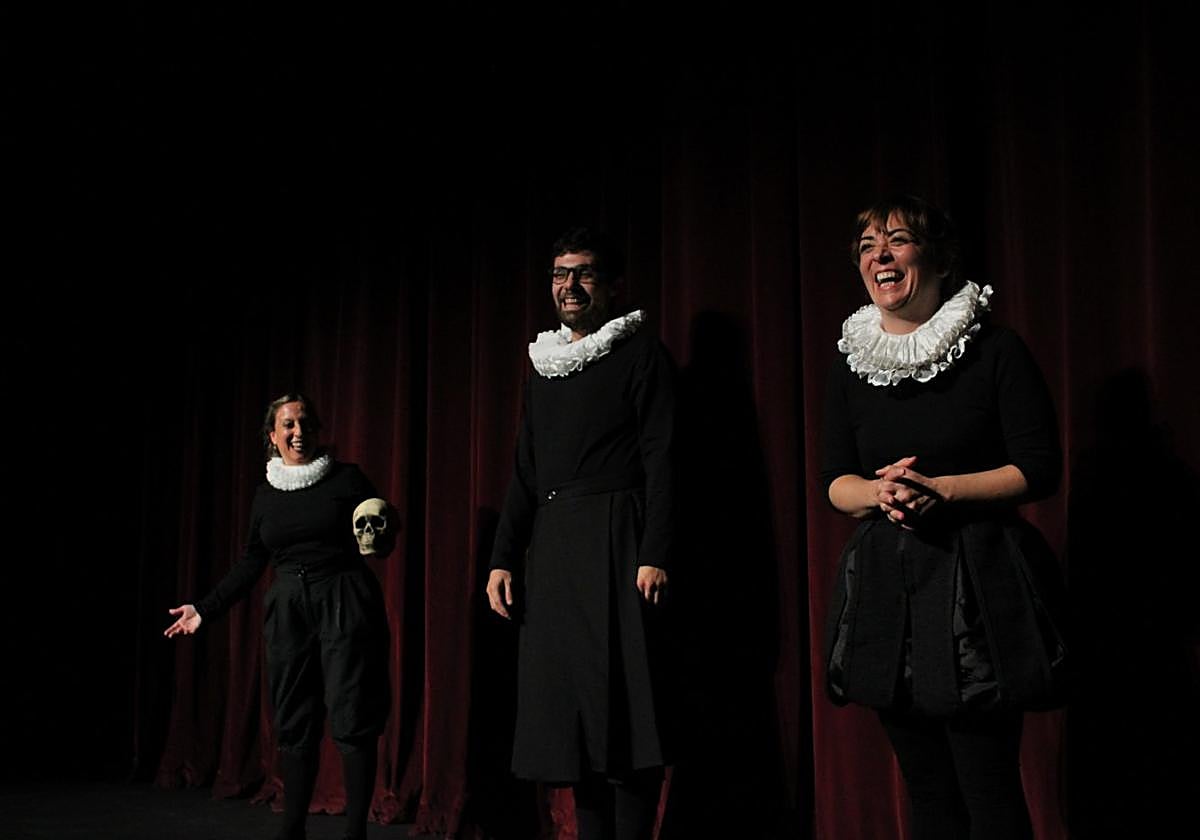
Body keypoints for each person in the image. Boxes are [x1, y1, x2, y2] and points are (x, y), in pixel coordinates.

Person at [821, 196, 1066, 840]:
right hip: (887, 584)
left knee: (985, 784)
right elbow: (835, 483)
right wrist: (881, 494)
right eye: (869, 244)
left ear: (938, 259)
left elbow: (1037, 468)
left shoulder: (994, 349)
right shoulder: (852, 362)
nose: (880, 255)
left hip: (976, 585)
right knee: (926, 786)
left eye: (898, 240)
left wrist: (944, 490)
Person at [485, 227, 675, 840]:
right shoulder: (543, 367)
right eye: (560, 274)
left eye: (584, 273)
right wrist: (503, 557)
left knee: (623, 717)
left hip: (620, 542)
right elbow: (525, 467)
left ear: (613, 285)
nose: (569, 285)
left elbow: (663, 457)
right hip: (556, 553)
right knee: (575, 729)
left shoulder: (641, 353)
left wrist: (655, 552)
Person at [165, 393, 390, 840]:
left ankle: (354, 833)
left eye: (305, 422)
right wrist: (204, 610)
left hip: (343, 597)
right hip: (288, 607)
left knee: (351, 715)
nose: (298, 432)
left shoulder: (346, 480)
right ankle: (292, 829)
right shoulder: (267, 494)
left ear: (319, 430)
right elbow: (252, 562)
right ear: (273, 437)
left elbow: (377, 532)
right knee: (293, 718)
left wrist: (381, 530)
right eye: (287, 425)